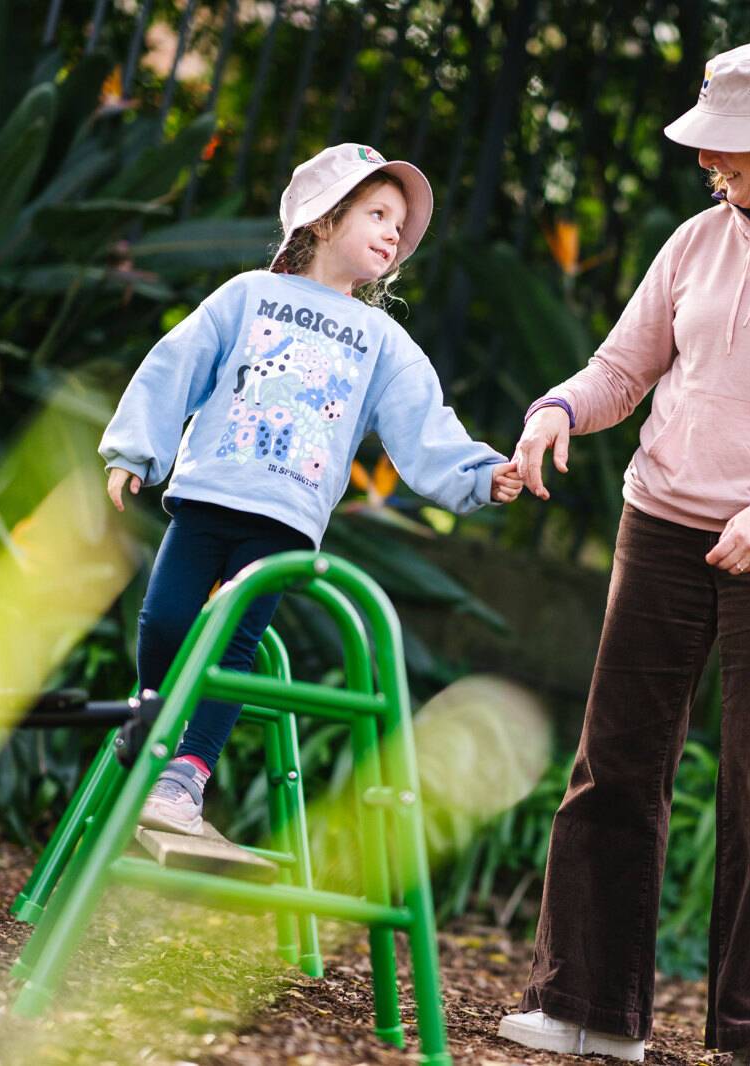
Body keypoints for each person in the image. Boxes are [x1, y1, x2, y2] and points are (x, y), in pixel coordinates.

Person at [496, 40, 750, 1066]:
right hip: (665, 516)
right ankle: (589, 1007)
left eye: (723, 145)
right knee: (617, 757)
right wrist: (557, 410)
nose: (704, 162)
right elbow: (622, 366)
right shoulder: (697, 237)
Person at [98, 143, 523, 835]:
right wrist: (134, 450)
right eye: (377, 213)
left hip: (285, 516)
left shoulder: (382, 339)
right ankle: (149, 719)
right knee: (165, 617)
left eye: (399, 223)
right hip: (210, 491)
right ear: (323, 223)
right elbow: (176, 363)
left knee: (235, 641)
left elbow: (424, 422)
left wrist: (480, 475)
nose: (393, 231)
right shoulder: (248, 296)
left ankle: (186, 776)